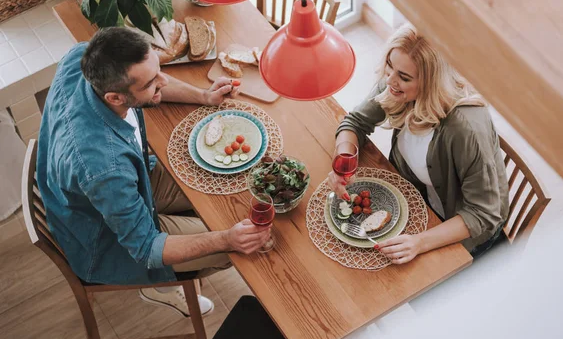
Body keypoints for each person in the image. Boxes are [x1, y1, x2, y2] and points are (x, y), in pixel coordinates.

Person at [37, 27, 271, 316]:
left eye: (157, 70)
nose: (162, 81)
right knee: (237, 249)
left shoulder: (83, 57)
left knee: (222, 181)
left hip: (121, 186)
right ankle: (159, 288)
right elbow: (146, 247)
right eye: (150, 83)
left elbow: (153, 79)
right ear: (115, 98)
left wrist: (203, 96)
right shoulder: (103, 166)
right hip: (105, 236)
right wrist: (227, 240)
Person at [329, 24, 509, 263]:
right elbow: (355, 122)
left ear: (431, 82)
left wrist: (419, 242)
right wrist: (344, 162)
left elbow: (484, 213)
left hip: (462, 235)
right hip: (419, 203)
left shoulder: (465, 128)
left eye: (404, 77)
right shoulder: (398, 85)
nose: (390, 80)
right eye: (390, 66)